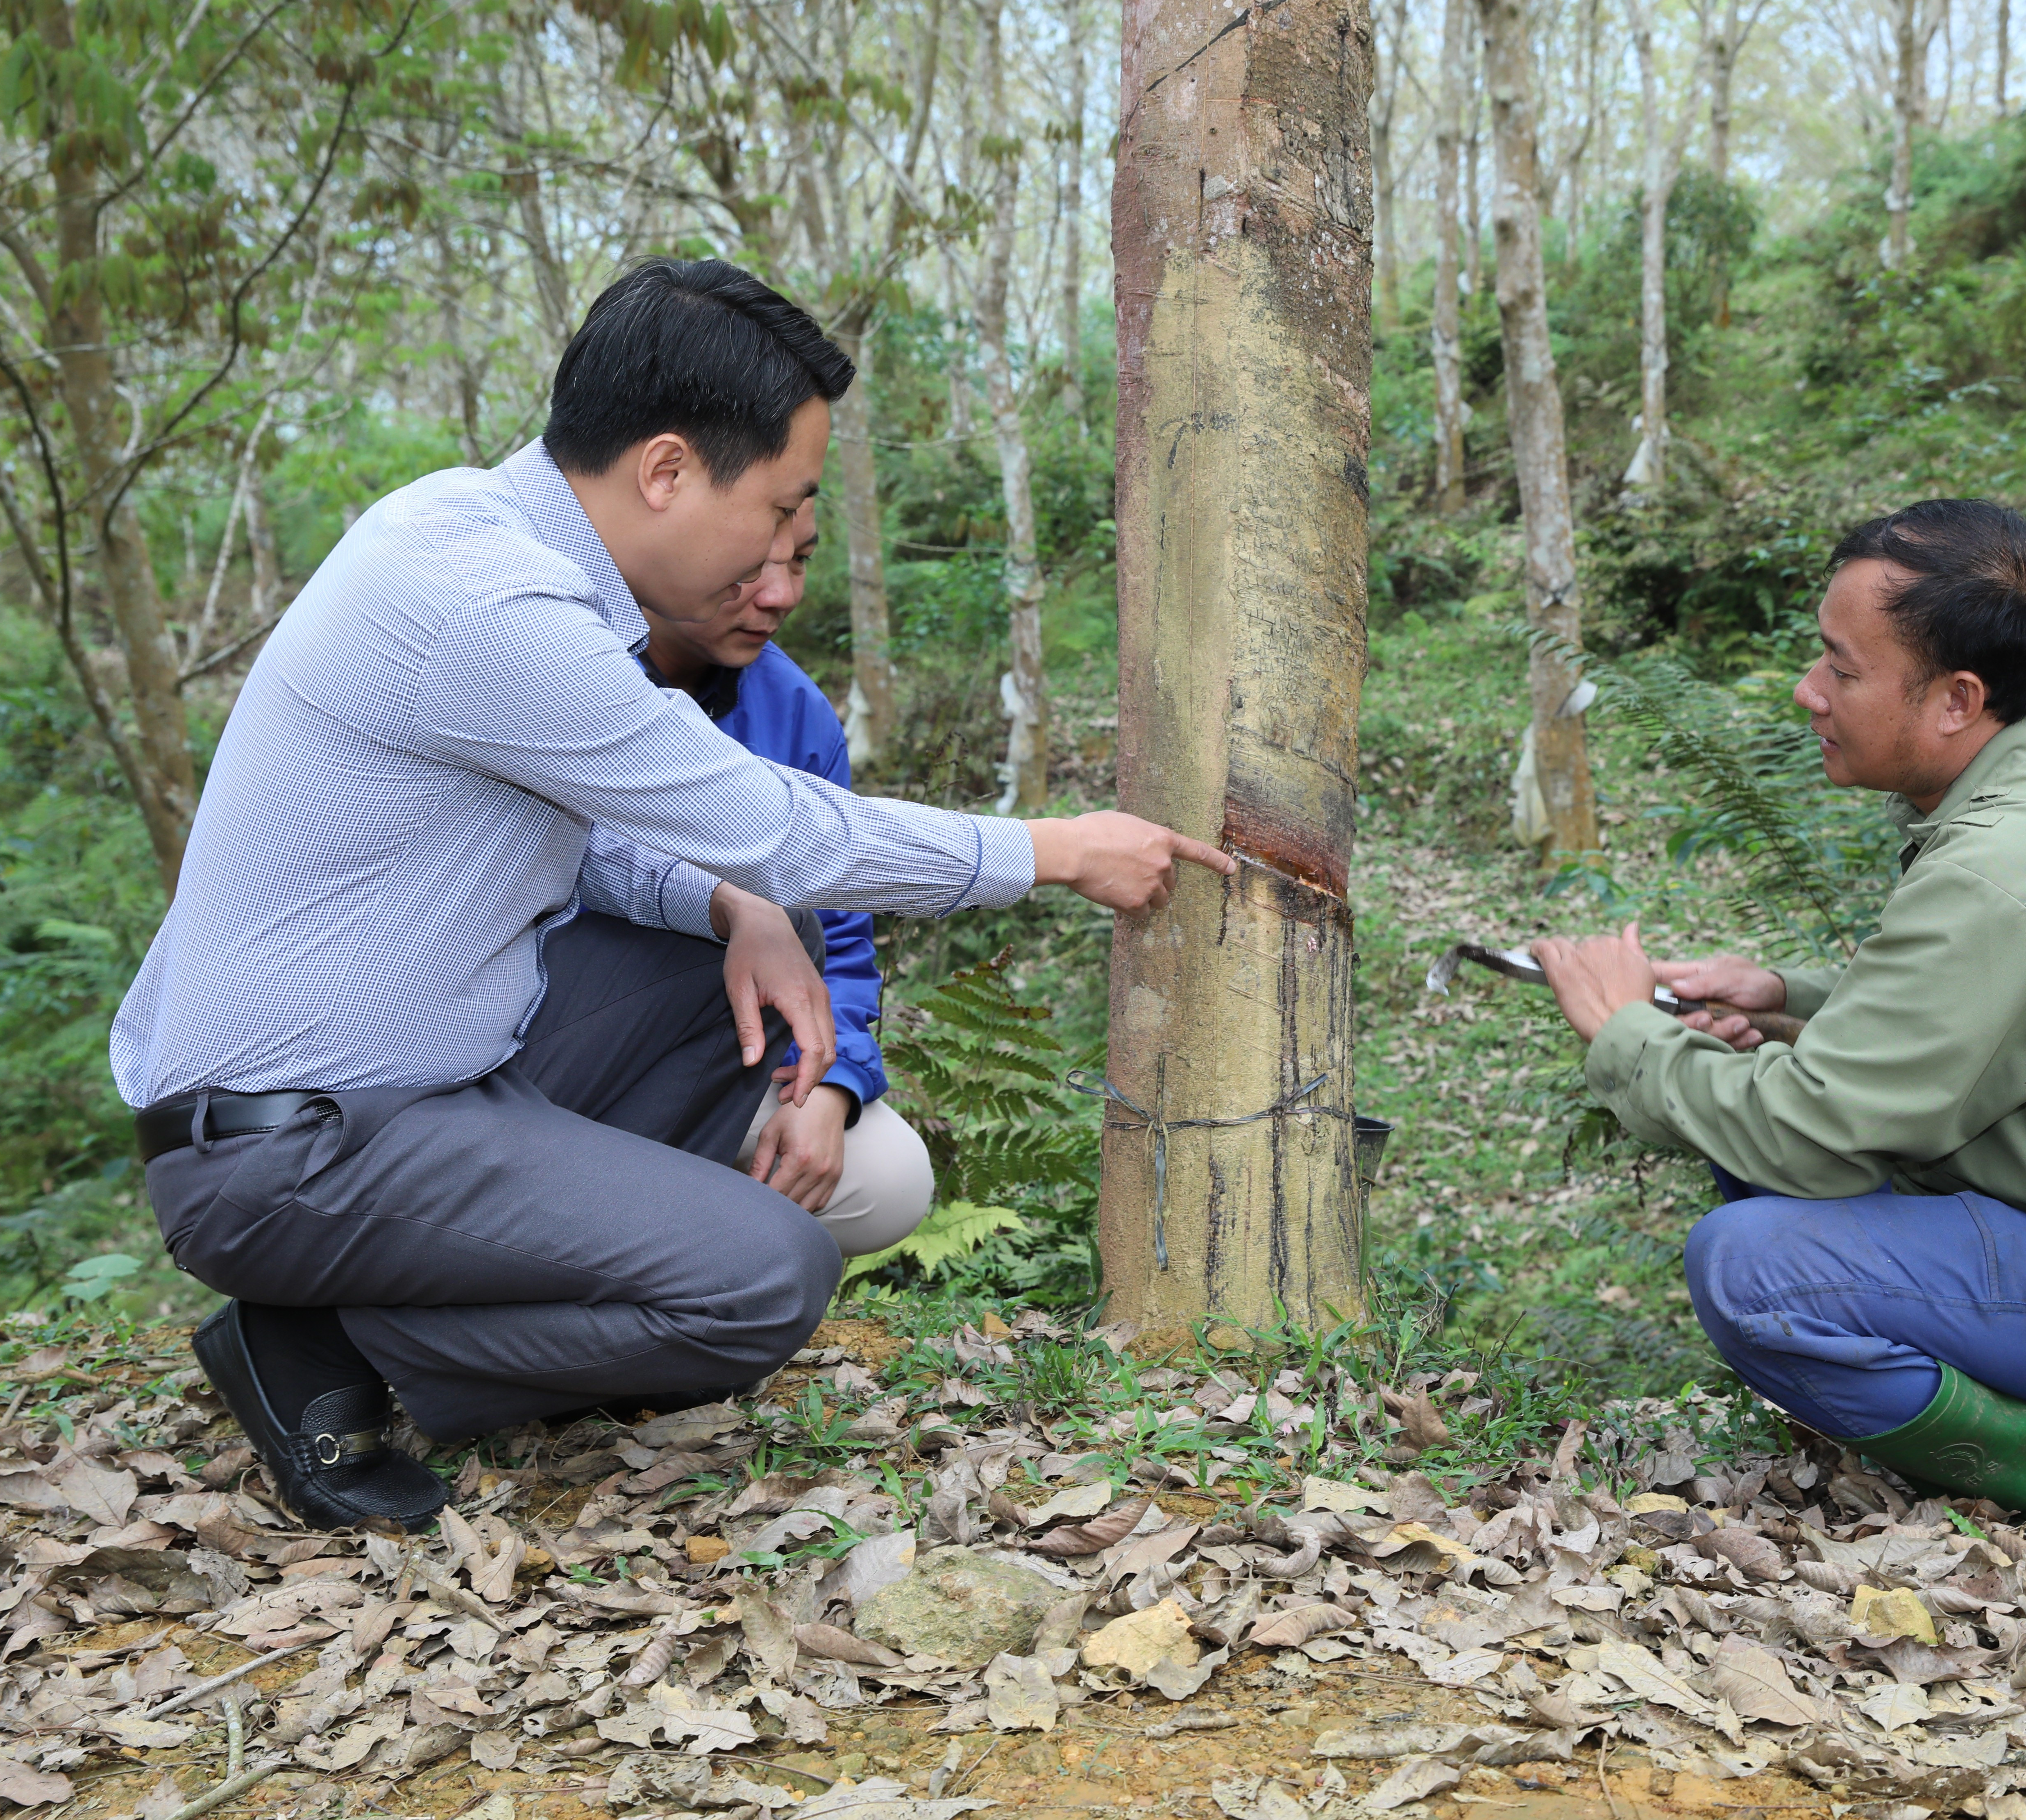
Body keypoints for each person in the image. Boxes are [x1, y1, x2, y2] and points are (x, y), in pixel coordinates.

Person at [114, 259, 1232, 1532]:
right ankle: (327, 1347)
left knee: (753, 939)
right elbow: (775, 829)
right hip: (291, 1149)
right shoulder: (489, 606)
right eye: (781, 507)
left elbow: (591, 843)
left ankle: (417, 1298)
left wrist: (732, 912)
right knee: (767, 1280)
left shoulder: (465, 530)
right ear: (665, 472)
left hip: (409, 1088)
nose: (782, 554)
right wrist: (1057, 850)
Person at [1530, 500, 2026, 1525]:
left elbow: (1812, 1137)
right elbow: (2000, 1005)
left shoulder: (2003, 867)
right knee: (1752, 1150)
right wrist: (1789, 997)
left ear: (1957, 700)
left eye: (1842, 669)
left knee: (1749, 1265)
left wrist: (1626, 1033)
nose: (1809, 691)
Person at [625, 544, 935, 1254]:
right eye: (750, 565)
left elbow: (840, 934)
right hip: (570, 1049)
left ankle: (705, 1280)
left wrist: (831, 1086)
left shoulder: (794, 709)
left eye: (800, 562)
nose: (781, 595)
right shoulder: (566, 666)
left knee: (888, 1178)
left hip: (725, 1054)